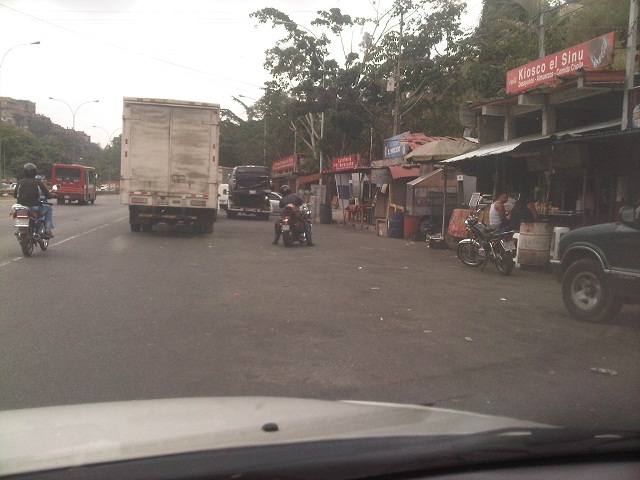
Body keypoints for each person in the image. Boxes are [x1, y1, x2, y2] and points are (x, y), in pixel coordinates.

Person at [13, 163, 56, 238]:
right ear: (35, 172)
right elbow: (47, 195)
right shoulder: (38, 183)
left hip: (21, 207)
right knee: (49, 208)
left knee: (20, 212)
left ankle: (20, 229)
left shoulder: (19, 182)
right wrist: (52, 195)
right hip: (34, 207)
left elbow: (15, 195)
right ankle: (47, 230)